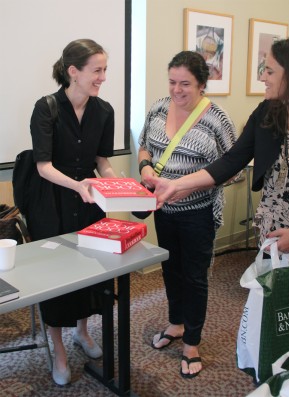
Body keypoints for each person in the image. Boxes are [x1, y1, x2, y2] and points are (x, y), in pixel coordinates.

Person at [146, 37, 289, 255]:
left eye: (270, 71)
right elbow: (231, 161)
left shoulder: (217, 116)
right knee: (273, 288)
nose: (262, 77)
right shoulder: (267, 112)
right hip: (274, 228)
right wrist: (177, 185)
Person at [138, 51, 238, 378]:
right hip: (163, 210)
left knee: (195, 277)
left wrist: (189, 186)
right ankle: (175, 324)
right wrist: (146, 167)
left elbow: (233, 170)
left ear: (202, 85)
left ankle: (192, 342)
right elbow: (144, 146)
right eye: (172, 82)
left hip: (199, 215)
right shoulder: (158, 107)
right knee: (171, 270)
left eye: (185, 84)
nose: (177, 90)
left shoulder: (216, 120)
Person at [26, 39, 117, 385]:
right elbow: (43, 166)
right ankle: (59, 349)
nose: (103, 77)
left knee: (90, 270)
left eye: (105, 70)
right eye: (98, 70)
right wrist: (78, 185)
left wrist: (118, 184)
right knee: (55, 277)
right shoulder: (46, 108)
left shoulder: (104, 110)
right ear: (73, 72)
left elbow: (102, 163)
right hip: (53, 202)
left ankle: (83, 331)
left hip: (90, 201)